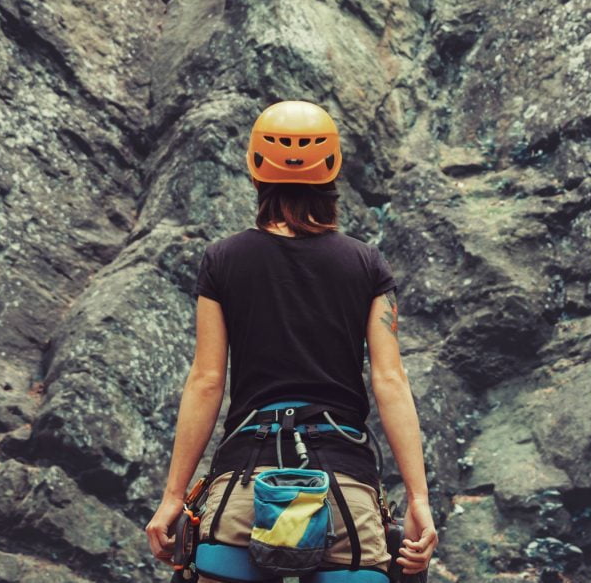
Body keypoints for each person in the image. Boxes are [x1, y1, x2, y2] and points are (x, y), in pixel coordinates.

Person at [145, 99, 438, 581]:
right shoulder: (367, 265)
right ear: (331, 173)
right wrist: (418, 500)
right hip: (344, 488)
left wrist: (174, 497)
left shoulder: (223, 260)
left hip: (244, 485)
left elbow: (206, 380)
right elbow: (390, 380)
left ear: (257, 171)